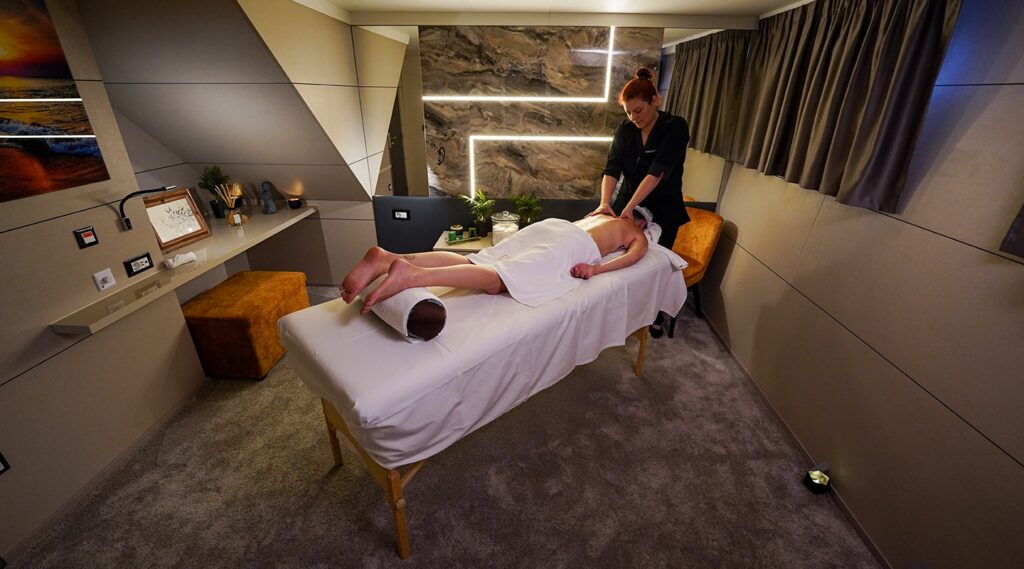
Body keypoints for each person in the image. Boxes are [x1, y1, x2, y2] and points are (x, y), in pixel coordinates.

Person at [340, 213, 649, 313]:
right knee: (500, 279)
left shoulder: (603, 215)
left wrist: (595, 266)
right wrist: (595, 268)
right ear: (643, 223)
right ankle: (413, 275)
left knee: (479, 261)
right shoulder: (635, 231)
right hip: (572, 244)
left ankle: (388, 258)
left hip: (555, 225)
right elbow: (631, 257)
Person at [590, 66, 690, 337]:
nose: (634, 118)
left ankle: (656, 315)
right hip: (627, 201)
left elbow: (656, 172)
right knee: (625, 258)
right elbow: (612, 168)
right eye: (629, 112)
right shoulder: (625, 129)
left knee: (656, 265)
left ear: (654, 101)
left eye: (639, 111)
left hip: (663, 205)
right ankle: (623, 312)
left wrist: (630, 207)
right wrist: (604, 203)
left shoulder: (675, 127)